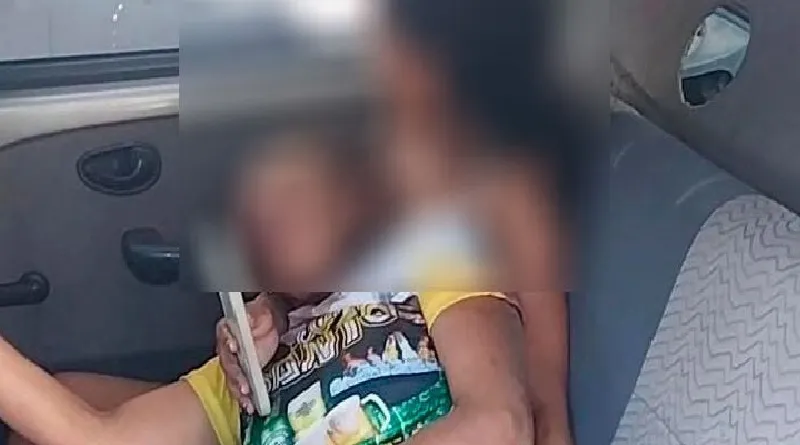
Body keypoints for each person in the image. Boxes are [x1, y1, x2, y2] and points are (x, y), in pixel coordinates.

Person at [0, 120, 531, 445]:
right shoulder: (250, 365)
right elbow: (95, 435)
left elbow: (499, 425)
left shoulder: (432, 269)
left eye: (293, 195)